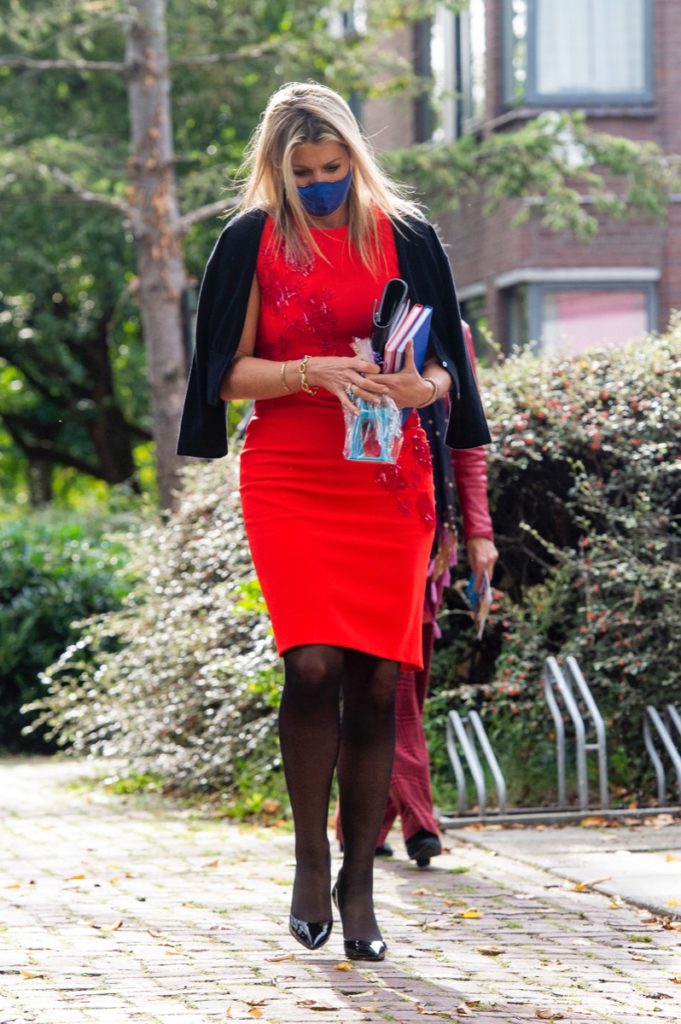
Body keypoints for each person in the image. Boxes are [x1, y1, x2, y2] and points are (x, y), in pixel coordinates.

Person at [177, 81, 491, 963]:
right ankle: (309, 862)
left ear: (356, 155)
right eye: (303, 172)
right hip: (291, 472)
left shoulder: (409, 235)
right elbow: (224, 375)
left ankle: (359, 884)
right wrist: (307, 371)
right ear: (276, 172)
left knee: (379, 681)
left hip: (389, 477)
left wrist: (421, 387)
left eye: (333, 166)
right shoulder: (251, 240)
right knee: (311, 664)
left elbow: (449, 368)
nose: (321, 184)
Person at [336, 326, 498, 867]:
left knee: (411, 673)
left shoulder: (450, 332)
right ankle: (419, 815)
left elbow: (467, 438)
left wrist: (479, 532)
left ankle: (360, 819)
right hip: (348, 523)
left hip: (423, 524)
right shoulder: (346, 319)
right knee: (390, 677)